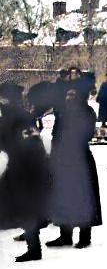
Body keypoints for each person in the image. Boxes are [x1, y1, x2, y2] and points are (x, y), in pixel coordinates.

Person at [0, 81, 51, 263]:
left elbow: (24, 143)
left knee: (25, 208)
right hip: (26, 168)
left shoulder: (14, 118)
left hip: (24, 170)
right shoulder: (21, 116)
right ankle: (33, 245)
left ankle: (34, 249)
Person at [46, 87, 102, 250]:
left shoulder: (87, 112)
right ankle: (65, 235)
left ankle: (85, 237)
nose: (68, 97)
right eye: (67, 94)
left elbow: (86, 134)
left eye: (72, 95)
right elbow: (56, 134)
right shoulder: (62, 112)